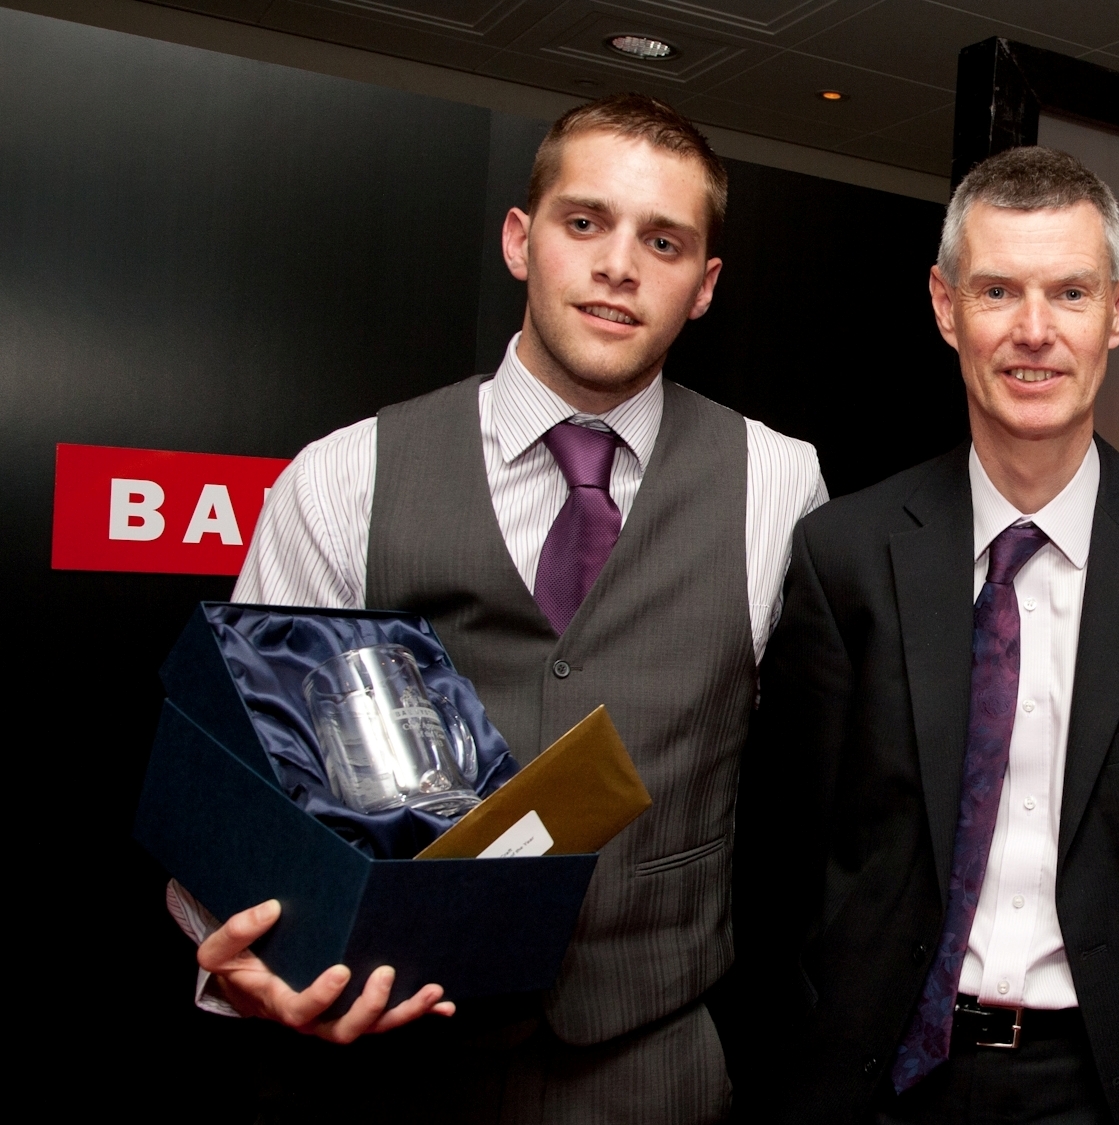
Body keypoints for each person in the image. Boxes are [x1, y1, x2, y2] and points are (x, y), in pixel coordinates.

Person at [168, 92, 825, 1123]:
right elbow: (247, 787)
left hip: (651, 1068)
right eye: (584, 222)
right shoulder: (347, 475)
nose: (619, 265)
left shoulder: (782, 485)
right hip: (391, 1060)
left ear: (703, 287)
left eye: (662, 240)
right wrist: (258, 961)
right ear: (521, 241)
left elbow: (819, 791)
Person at [727, 146, 1119, 1124]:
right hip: (880, 1078)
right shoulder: (846, 553)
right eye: (997, 291)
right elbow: (782, 857)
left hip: (1117, 1083)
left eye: (1068, 293)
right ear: (945, 306)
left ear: (1118, 308)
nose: (1033, 333)